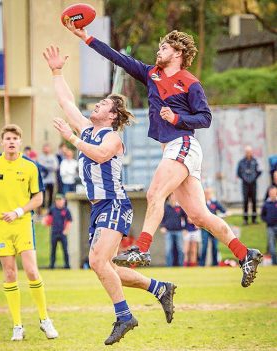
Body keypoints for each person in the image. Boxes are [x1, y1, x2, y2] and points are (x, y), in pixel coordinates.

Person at [64, 23, 263, 287]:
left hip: (182, 144)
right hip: (174, 148)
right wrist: (87, 37)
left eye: (164, 47)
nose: (159, 51)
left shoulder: (190, 83)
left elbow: (205, 118)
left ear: (178, 52)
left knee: (154, 194)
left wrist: (177, 117)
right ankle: (244, 253)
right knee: (198, 216)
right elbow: (118, 58)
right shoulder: (151, 74)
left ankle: (142, 248)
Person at [44, 45, 176, 345]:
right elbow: (65, 101)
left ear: (112, 114)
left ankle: (124, 316)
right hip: (100, 207)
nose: (97, 106)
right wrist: (56, 72)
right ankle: (159, 289)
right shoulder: (87, 129)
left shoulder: (111, 137)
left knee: (98, 262)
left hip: (115, 204)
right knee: (107, 266)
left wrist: (71, 138)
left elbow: (101, 156)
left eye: (103, 104)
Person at [0, 124, 58, 341]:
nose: (11, 141)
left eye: (15, 138)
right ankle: (17, 325)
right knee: (9, 274)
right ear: (2, 142)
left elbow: (38, 198)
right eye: (8, 138)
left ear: (20, 142)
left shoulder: (30, 166)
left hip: (22, 223)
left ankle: (44, 319)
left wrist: (19, 211)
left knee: (31, 271)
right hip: (0, 225)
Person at [42, 193, 72, 269]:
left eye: (60, 200)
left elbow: (69, 221)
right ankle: (52, 265)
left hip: (62, 233)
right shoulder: (52, 209)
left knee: (65, 250)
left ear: (64, 201)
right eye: (57, 200)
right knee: (53, 250)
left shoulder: (66, 210)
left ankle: (67, 265)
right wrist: (45, 221)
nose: (58, 202)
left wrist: (66, 230)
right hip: (54, 233)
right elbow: (48, 218)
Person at [199, 187, 226, 266]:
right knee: (204, 246)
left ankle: (215, 264)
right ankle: (202, 264)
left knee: (215, 246)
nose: (208, 195)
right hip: (204, 228)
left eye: (209, 193)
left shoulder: (215, 203)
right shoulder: (202, 202)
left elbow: (223, 210)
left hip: (214, 228)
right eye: (206, 193)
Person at [237, 146, 262, 225]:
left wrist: (254, 178)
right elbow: (238, 172)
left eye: (250, 152)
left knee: (254, 201)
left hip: (253, 184)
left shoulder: (255, 161)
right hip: (245, 185)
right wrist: (244, 178)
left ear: (252, 152)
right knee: (245, 201)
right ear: (245, 153)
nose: (248, 153)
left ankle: (254, 219)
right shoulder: (241, 162)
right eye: (247, 152)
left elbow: (259, 171)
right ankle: (245, 219)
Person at [160, 193, 186, 267]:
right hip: (168, 231)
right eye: (172, 196)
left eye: (175, 196)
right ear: (169, 197)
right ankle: (169, 266)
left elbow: (185, 218)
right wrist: (162, 227)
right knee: (168, 250)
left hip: (179, 231)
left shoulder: (180, 207)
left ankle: (181, 266)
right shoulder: (165, 207)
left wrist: (185, 229)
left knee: (181, 249)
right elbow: (161, 218)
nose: (173, 197)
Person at [38, 143, 59, 209]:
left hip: (51, 180)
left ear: (50, 149)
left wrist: (46, 166)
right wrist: (49, 166)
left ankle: (50, 208)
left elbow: (55, 167)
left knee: (51, 194)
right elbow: (40, 166)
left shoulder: (53, 157)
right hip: (43, 180)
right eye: (45, 148)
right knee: (42, 195)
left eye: (47, 148)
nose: (46, 150)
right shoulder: (40, 157)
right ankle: (42, 208)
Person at [261, 186, 277, 265]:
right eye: (271, 193)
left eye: (274, 192)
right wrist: (268, 220)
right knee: (272, 247)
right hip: (270, 227)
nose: (272, 194)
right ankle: (274, 263)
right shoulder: (266, 204)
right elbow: (262, 215)